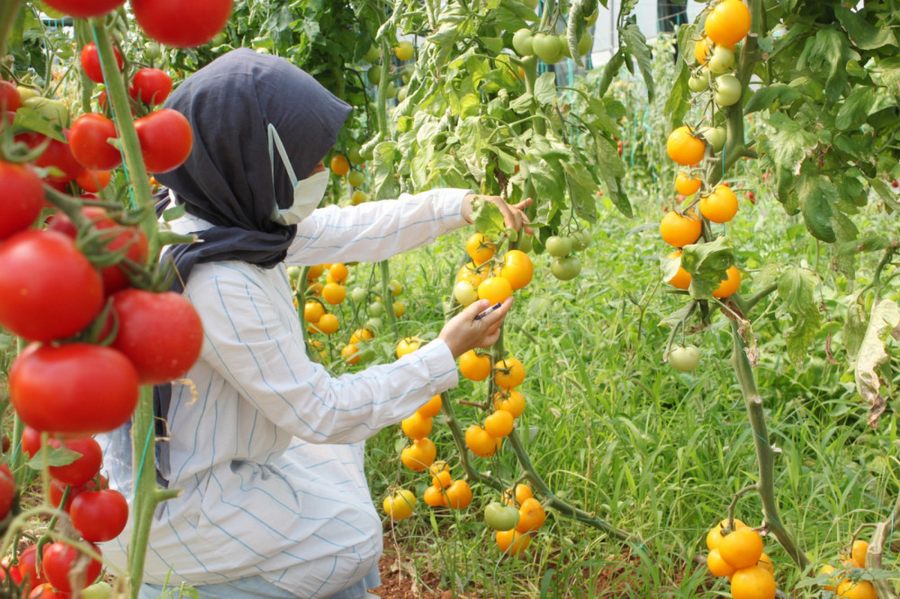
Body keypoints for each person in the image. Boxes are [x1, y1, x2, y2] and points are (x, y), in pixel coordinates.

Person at [100, 49, 531, 599]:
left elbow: (350, 229)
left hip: (205, 462)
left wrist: (459, 206)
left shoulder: (212, 213)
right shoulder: (220, 282)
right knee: (351, 540)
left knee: (335, 460)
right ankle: (180, 590)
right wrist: (443, 353)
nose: (322, 172)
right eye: (309, 160)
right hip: (180, 502)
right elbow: (323, 411)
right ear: (259, 161)